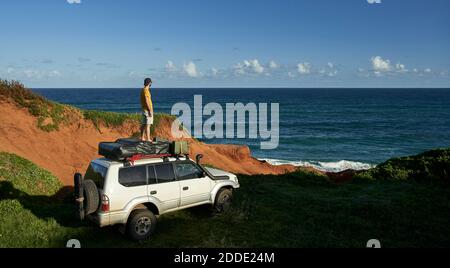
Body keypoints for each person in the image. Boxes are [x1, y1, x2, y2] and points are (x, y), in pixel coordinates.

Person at [140, 78, 154, 142]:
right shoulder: (146, 90)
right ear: (149, 83)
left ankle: (142, 137)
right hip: (147, 110)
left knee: (143, 124)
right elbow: (147, 101)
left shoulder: (143, 90)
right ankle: (148, 139)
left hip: (144, 109)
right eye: (151, 83)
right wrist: (150, 110)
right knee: (148, 125)